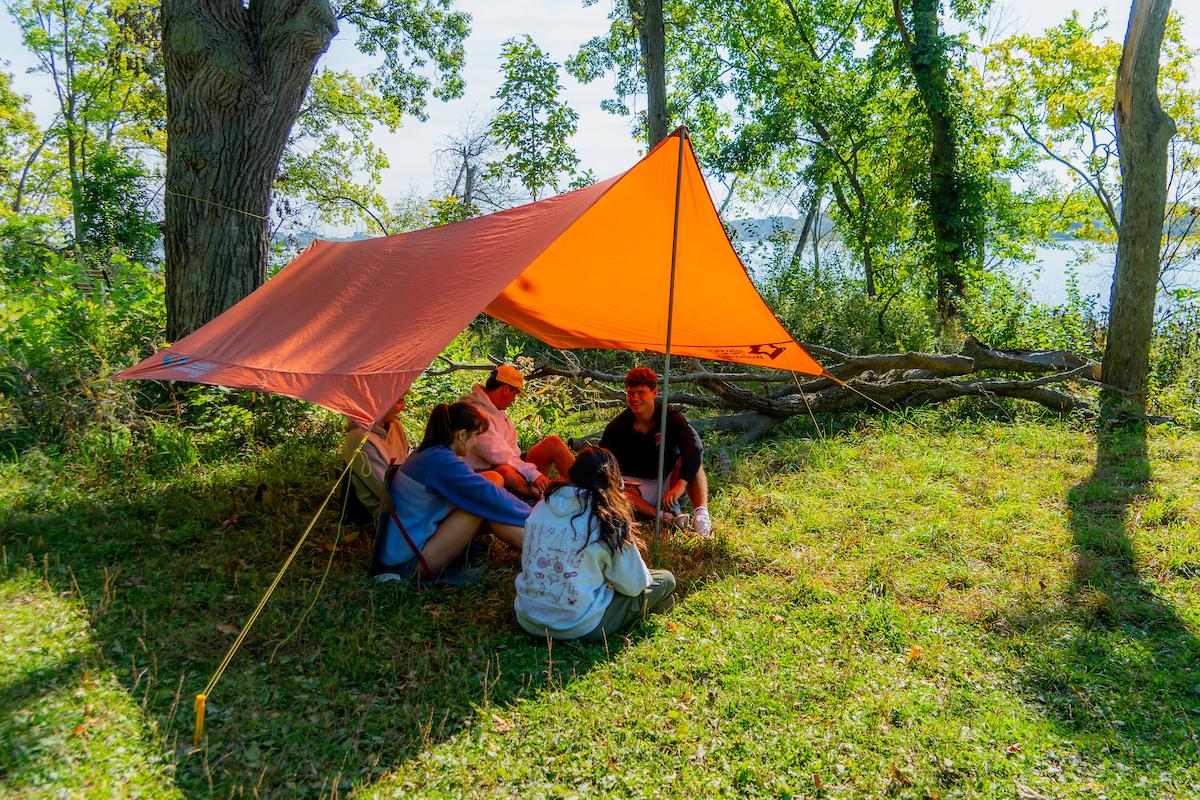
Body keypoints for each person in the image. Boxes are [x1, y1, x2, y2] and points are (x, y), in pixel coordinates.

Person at [514, 447, 676, 641]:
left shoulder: (542, 506)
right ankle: (650, 608)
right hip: (579, 624)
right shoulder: (607, 517)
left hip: (527, 617)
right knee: (666, 580)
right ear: (614, 481)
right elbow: (634, 586)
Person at [371, 402, 529, 583]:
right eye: (476, 435)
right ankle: (546, 550)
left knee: (492, 479)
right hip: (409, 564)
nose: (477, 442)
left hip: (404, 550)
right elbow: (491, 498)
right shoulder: (441, 462)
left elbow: (485, 489)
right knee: (481, 506)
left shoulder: (430, 453)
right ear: (461, 435)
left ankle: (543, 543)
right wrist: (534, 518)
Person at [599, 367, 712, 536]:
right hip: (637, 488)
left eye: (641, 392)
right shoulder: (617, 427)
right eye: (630, 393)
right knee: (621, 492)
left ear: (654, 392)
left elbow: (694, 448)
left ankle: (701, 517)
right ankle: (664, 517)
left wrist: (680, 485)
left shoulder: (670, 417)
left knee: (692, 461)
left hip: (670, 482)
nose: (635, 398)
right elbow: (600, 460)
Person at [460, 365, 575, 501]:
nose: (513, 401)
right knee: (506, 472)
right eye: (515, 394)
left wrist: (527, 469)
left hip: (515, 463)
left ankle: (585, 490)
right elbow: (498, 456)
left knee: (553, 443)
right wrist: (533, 474)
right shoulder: (475, 413)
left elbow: (512, 453)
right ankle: (542, 497)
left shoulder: (496, 408)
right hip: (490, 471)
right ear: (506, 389)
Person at [340, 395, 411, 517]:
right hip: (384, 515)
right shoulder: (359, 438)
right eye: (399, 401)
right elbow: (387, 491)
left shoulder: (395, 427)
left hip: (406, 498)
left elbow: (408, 464)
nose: (403, 407)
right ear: (380, 402)